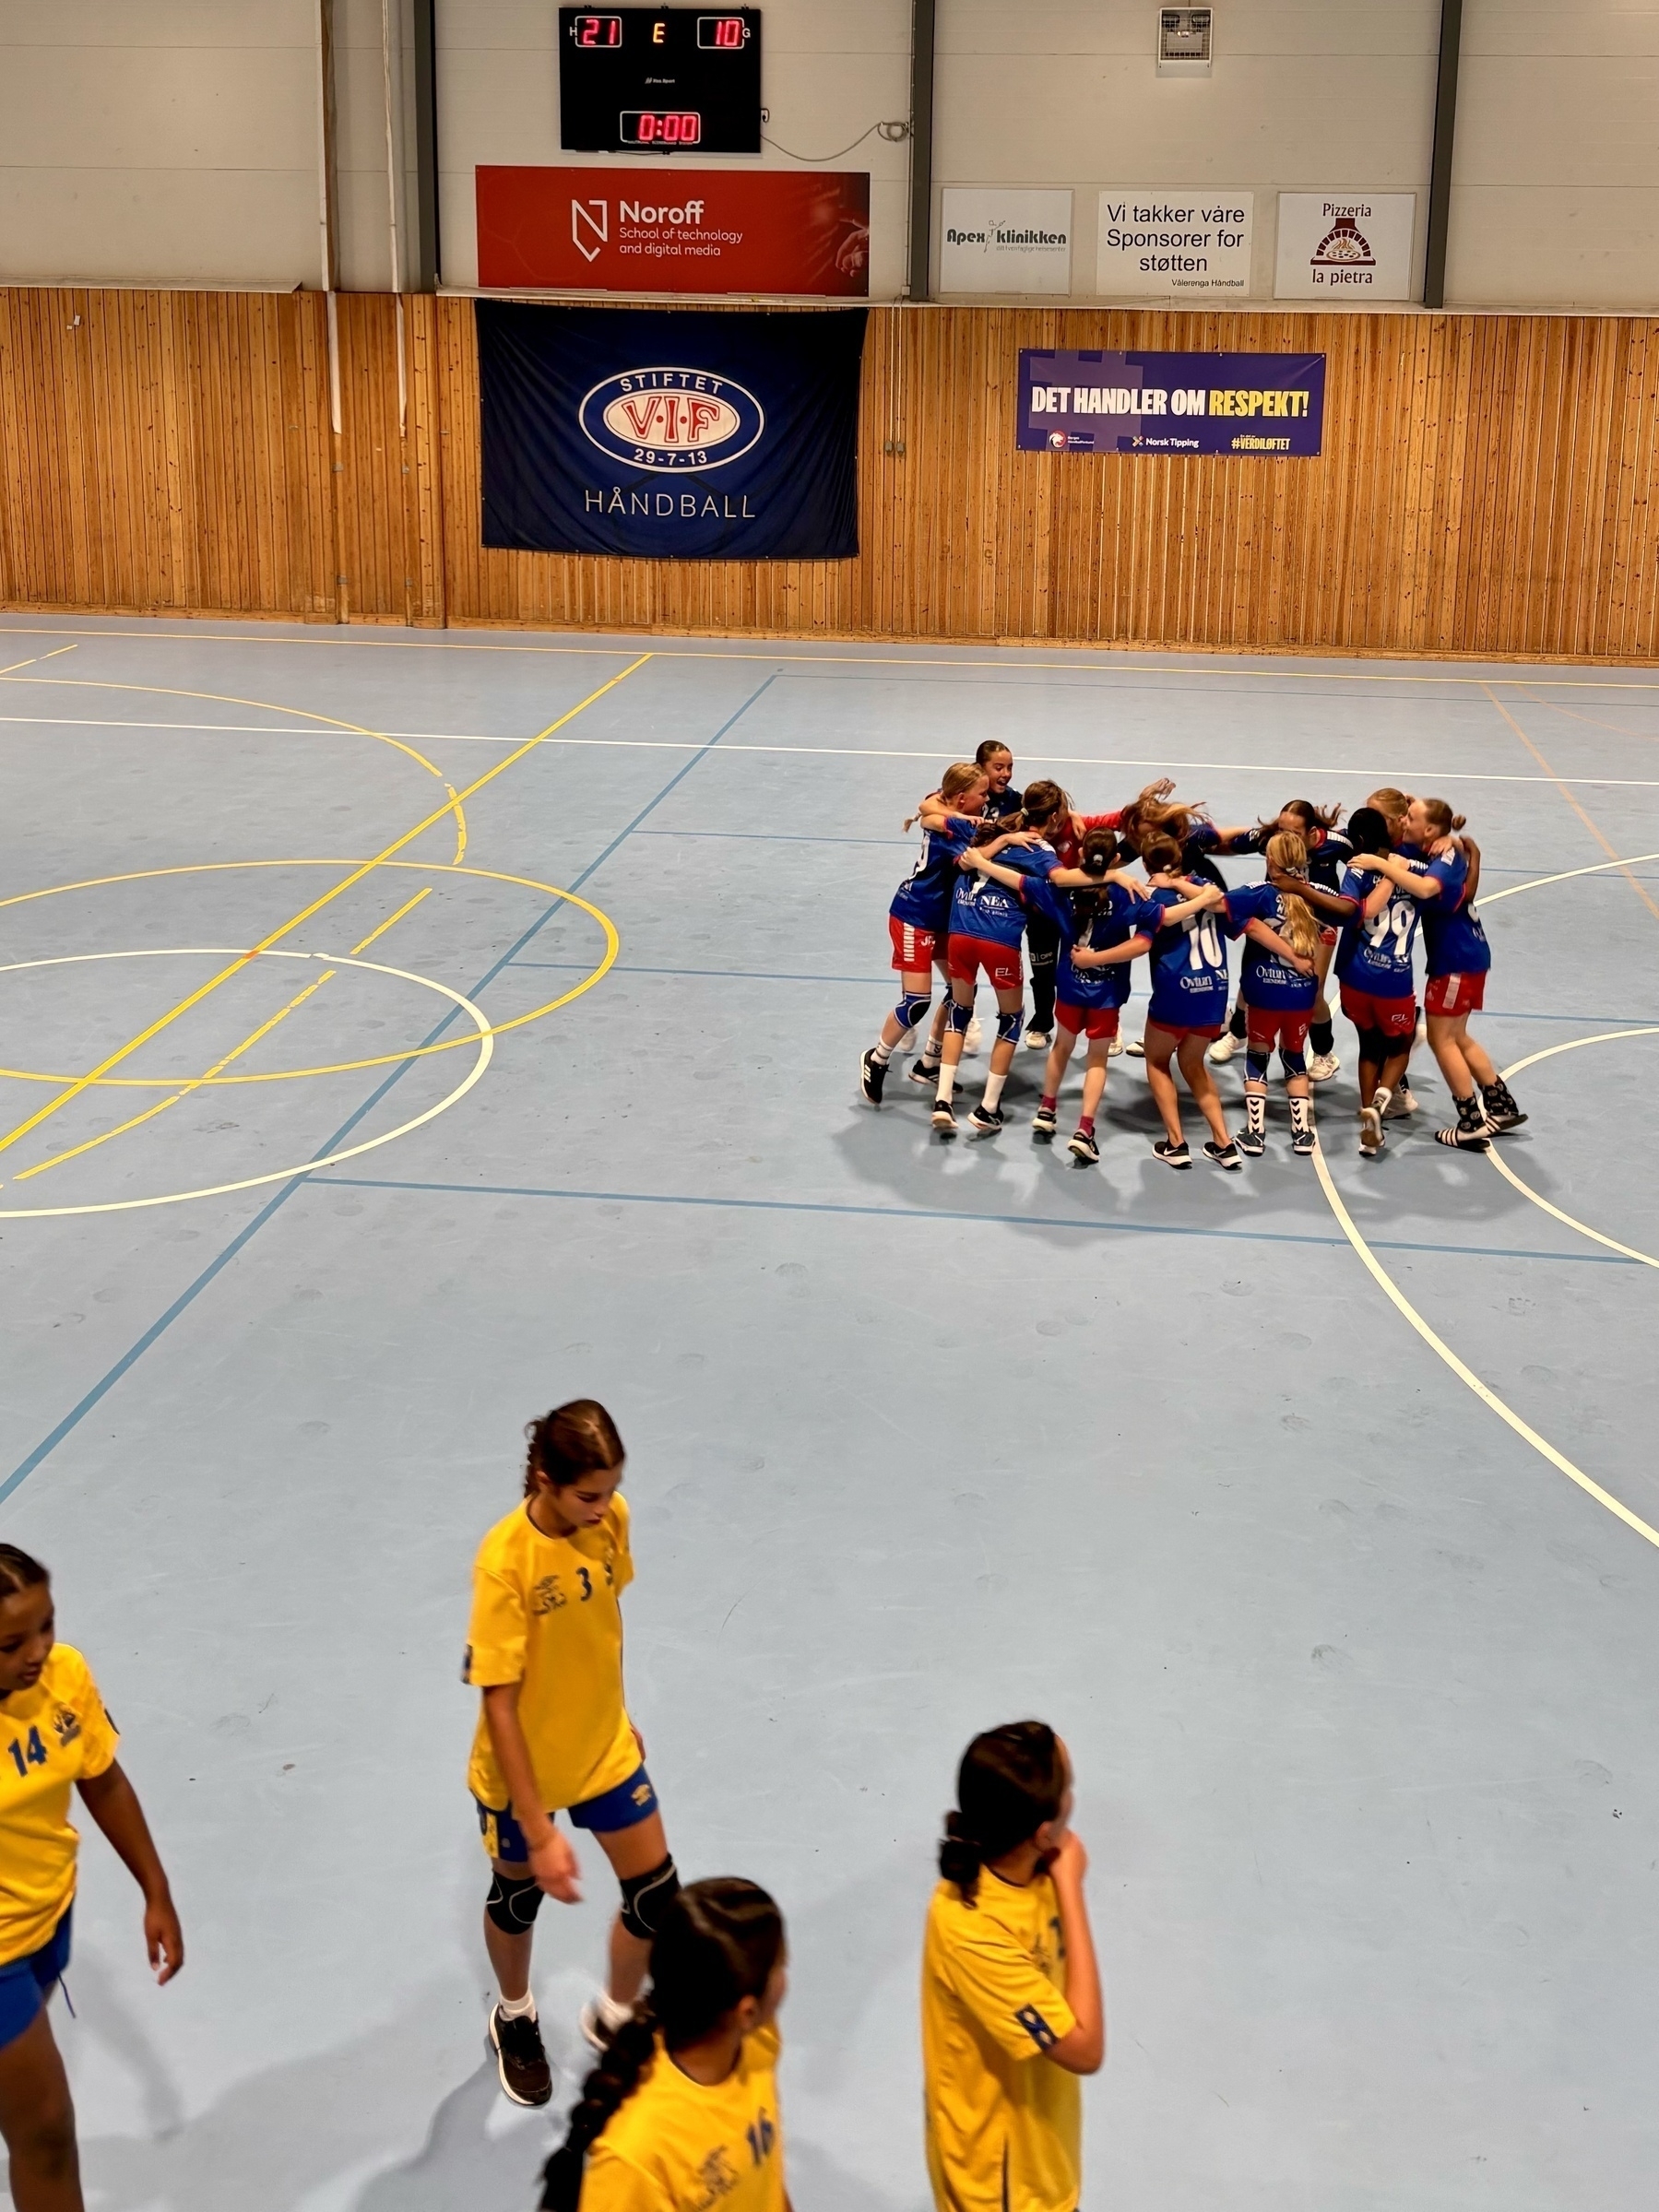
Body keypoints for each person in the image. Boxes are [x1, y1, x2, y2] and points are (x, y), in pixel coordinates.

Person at [466, 1401, 680, 2106]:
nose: (604, 1506)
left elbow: (599, 1627)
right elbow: (499, 1703)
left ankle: (616, 2015)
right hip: (522, 1767)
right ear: (543, 1478)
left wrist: (617, 1714)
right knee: (518, 1896)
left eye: (612, 1488)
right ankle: (515, 2013)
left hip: (602, 1746)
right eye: (588, 1493)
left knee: (655, 1895)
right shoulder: (506, 1563)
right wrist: (537, 1827)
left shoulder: (608, 1521)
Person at [0, 1545, 183, 2212]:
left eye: (45, 1625)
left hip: (47, 1916)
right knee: (45, 2132)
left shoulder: (63, 1676)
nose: (37, 1651)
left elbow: (101, 1778)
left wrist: (155, 1888)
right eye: (11, 1642)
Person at [922, 1721, 1103, 2212]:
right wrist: (1071, 1887)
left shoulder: (1025, 1862)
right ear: (1044, 1832)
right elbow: (1085, 2049)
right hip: (1002, 2182)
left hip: (1043, 2144)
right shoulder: (973, 1929)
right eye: (1069, 1788)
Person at [539, 1878, 788, 2212]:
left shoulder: (756, 2040)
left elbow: (764, 2169)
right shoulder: (634, 2158)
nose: (786, 1974)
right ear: (746, 2010)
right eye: (780, 1966)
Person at [958, 832, 1168, 1163]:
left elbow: (1018, 880)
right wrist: (1200, 899)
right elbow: (1160, 922)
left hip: (1070, 989)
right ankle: (1085, 1130)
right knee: (1096, 1061)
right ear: (1116, 859)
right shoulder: (1129, 892)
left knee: (1061, 1047)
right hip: (1106, 994)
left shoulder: (1059, 891)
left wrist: (982, 862)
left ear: (1082, 854)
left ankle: (1046, 1109)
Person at [1357, 799, 1526, 1146]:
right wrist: (1460, 839)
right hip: (1469, 957)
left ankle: (1470, 1121)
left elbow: (1426, 888)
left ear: (1431, 830)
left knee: (1441, 1039)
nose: (1405, 821)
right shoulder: (1429, 847)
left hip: (1456, 963)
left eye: (1412, 818)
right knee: (1459, 1036)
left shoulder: (1446, 858)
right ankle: (1501, 1104)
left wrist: (1379, 864)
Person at [862, 763, 989, 1107]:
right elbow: (972, 860)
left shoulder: (954, 812)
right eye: (983, 793)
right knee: (917, 1001)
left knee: (963, 989)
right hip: (914, 917)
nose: (988, 798)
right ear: (962, 799)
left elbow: (930, 804)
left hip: (945, 920)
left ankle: (930, 1062)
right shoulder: (952, 832)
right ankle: (877, 1058)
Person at [1209, 802, 1353, 1079]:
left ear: (1312, 832)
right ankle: (1238, 1032)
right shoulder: (1270, 839)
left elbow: (1365, 865)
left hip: (1318, 922)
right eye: (1281, 829)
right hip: (1273, 912)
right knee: (1253, 974)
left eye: (1293, 831)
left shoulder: (1337, 844)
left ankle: (1324, 1054)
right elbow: (1225, 845)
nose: (1283, 837)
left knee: (1312, 989)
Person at [1221, 834, 1325, 1157]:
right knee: (1294, 1056)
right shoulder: (1318, 897)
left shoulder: (1259, 894)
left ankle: (1255, 1132)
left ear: (1270, 862)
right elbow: (1352, 911)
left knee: (1257, 1055)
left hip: (1264, 990)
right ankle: (1302, 1133)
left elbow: (1220, 903)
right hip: (1301, 995)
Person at [1335, 808, 1426, 1157]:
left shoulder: (1356, 868)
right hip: (1394, 980)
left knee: (1368, 1046)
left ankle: (1366, 1127)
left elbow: (1353, 910)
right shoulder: (1410, 868)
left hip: (1355, 975)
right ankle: (1382, 1099)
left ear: (1358, 840)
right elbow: (1442, 888)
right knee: (1401, 1044)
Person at [1013, 783, 1124, 1053]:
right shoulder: (1021, 833)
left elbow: (1117, 818)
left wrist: (1144, 804)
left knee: (1092, 967)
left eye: (1066, 810)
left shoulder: (1076, 825)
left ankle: (1110, 1024)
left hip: (1079, 911)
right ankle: (1042, 1021)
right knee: (1042, 973)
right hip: (1040, 914)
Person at [976, 740, 1024, 822]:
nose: (1007, 774)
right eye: (998, 768)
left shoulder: (1013, 799)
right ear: (980, 768)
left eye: (1009, 768)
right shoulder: (965, 794)